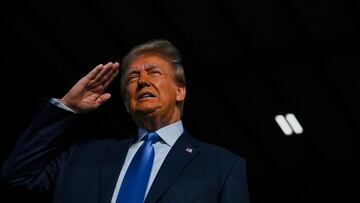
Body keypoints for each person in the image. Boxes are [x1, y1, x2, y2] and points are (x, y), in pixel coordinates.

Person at [1, 39, 249, 203]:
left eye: (154, 72)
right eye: (132, 77)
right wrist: (66, 107)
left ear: (180, 91)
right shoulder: (81, 156)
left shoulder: (223, 167)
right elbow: (18, 176)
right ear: (127, 103)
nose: (142, 81)